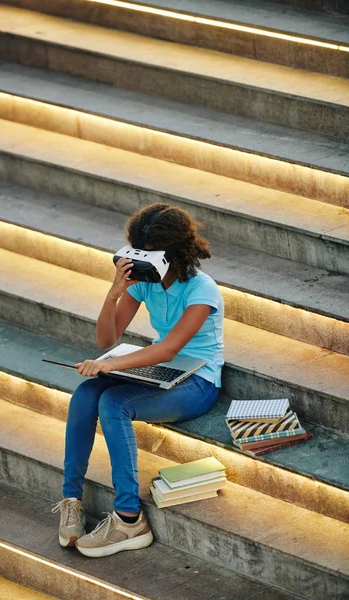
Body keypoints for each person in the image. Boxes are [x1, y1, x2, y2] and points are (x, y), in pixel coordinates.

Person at [52, 203, 224, 558]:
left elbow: (168, 350)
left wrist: (111, 367)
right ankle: (71, 498)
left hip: (198, 382)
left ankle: (129, 518)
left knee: (114, 402)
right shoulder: (145, 285)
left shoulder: (201, 290)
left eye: (148, 253)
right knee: (86, 395)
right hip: (160, 374)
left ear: (171, 253)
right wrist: (115, 292)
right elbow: (106, 339)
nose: (140, 258)